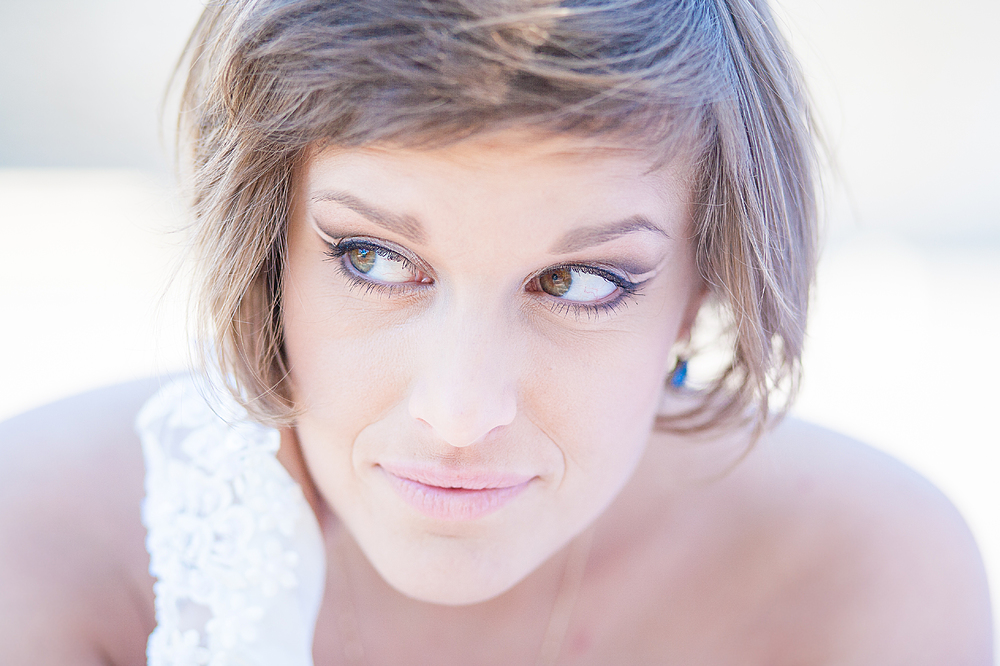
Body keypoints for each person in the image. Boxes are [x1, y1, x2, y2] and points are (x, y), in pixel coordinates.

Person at [0, 0, 992, 664]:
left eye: (580, 282)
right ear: (268, 250)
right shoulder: (43, 544)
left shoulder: (859, 576)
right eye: (374, 259)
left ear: (700, 288)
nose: (460, 412)